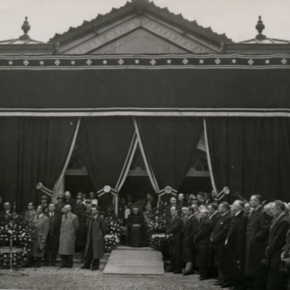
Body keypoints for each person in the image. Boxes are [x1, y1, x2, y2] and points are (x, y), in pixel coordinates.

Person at [245, 194, 270, 290]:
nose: (250, 202)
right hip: (251, 245)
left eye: (252, 201)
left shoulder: (262, 212)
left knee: (257, 268)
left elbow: (265, 229)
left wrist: (255, 238)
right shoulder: (254, 212)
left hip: (257, 246)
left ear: (257, 202)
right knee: (252, 267)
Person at [223, 200, 249, 290]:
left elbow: (241, 234)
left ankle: (238, 285)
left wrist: (239, 247)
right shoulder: (235, 216)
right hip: (231, 245)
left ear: (239, 207)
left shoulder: (243, 217)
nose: (231, 207)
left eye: (233, 205)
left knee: (237, 266)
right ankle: (234, 283)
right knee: (232, 265)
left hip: (237, 245)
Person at [266, 200, 290, 290]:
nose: (271, 211)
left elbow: (277, 240)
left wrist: (268, 250)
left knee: (275, 281)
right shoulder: (280, 219)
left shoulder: (284, 220)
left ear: (278, 209)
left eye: (272, 209)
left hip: (277, 254)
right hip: (275, 253)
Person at [211, 201, 232, 287]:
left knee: (223, 262)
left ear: (224, 208)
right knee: (219, 261)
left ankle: (225, 280)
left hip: (222, 243)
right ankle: (221, 278)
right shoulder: (221, 217)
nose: (218, 208)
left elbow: (224, 231)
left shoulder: (229, 217)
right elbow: (216, 228)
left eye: (220, 207)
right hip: (217, 243)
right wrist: (212, 236)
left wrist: (215, 238)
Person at [82, 205, 107, 270]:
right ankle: (87, 265)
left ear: (97, 211)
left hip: (97, 238)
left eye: (93, 210)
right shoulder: (91, 218)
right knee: (89, 252)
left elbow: (104, 229)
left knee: (96, 253)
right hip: (90, 238)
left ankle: (95, 266)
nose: (92, 211)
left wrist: (100, 235)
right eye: (92, 210)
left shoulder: (100, 219)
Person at [194, 208, 215, 280]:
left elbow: (202, 233)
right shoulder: (203, 221)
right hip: (202, 242)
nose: (200, 214)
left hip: (205, 243)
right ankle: (202, 273)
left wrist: (196, 237)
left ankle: (204, 275)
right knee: (201, 259)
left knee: (204, 260)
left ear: (205, 214)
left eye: (201, 213)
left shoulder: (207, 222)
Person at [166, 206, 183, 274]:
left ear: (176, 211)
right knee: (172, 254)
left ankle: (177, 269)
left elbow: (175, 228)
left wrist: (168, 231)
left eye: (173, 210)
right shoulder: (172, 218)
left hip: (177, 239)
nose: (171, 211)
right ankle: (172, 267)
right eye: (171, 210)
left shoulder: (178, 219)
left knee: (176, 255)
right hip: (172, 239)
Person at [182, 206, 199, 275]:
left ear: (191, 211)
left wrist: (189, 238)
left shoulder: (194, 219)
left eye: (186, 210)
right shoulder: (188, 218)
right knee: (187, 254)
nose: (185, 212)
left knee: (189, 254)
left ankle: (188, 269)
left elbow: (195, 229)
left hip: (190, 240)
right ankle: (188, 268)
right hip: (186, 239)